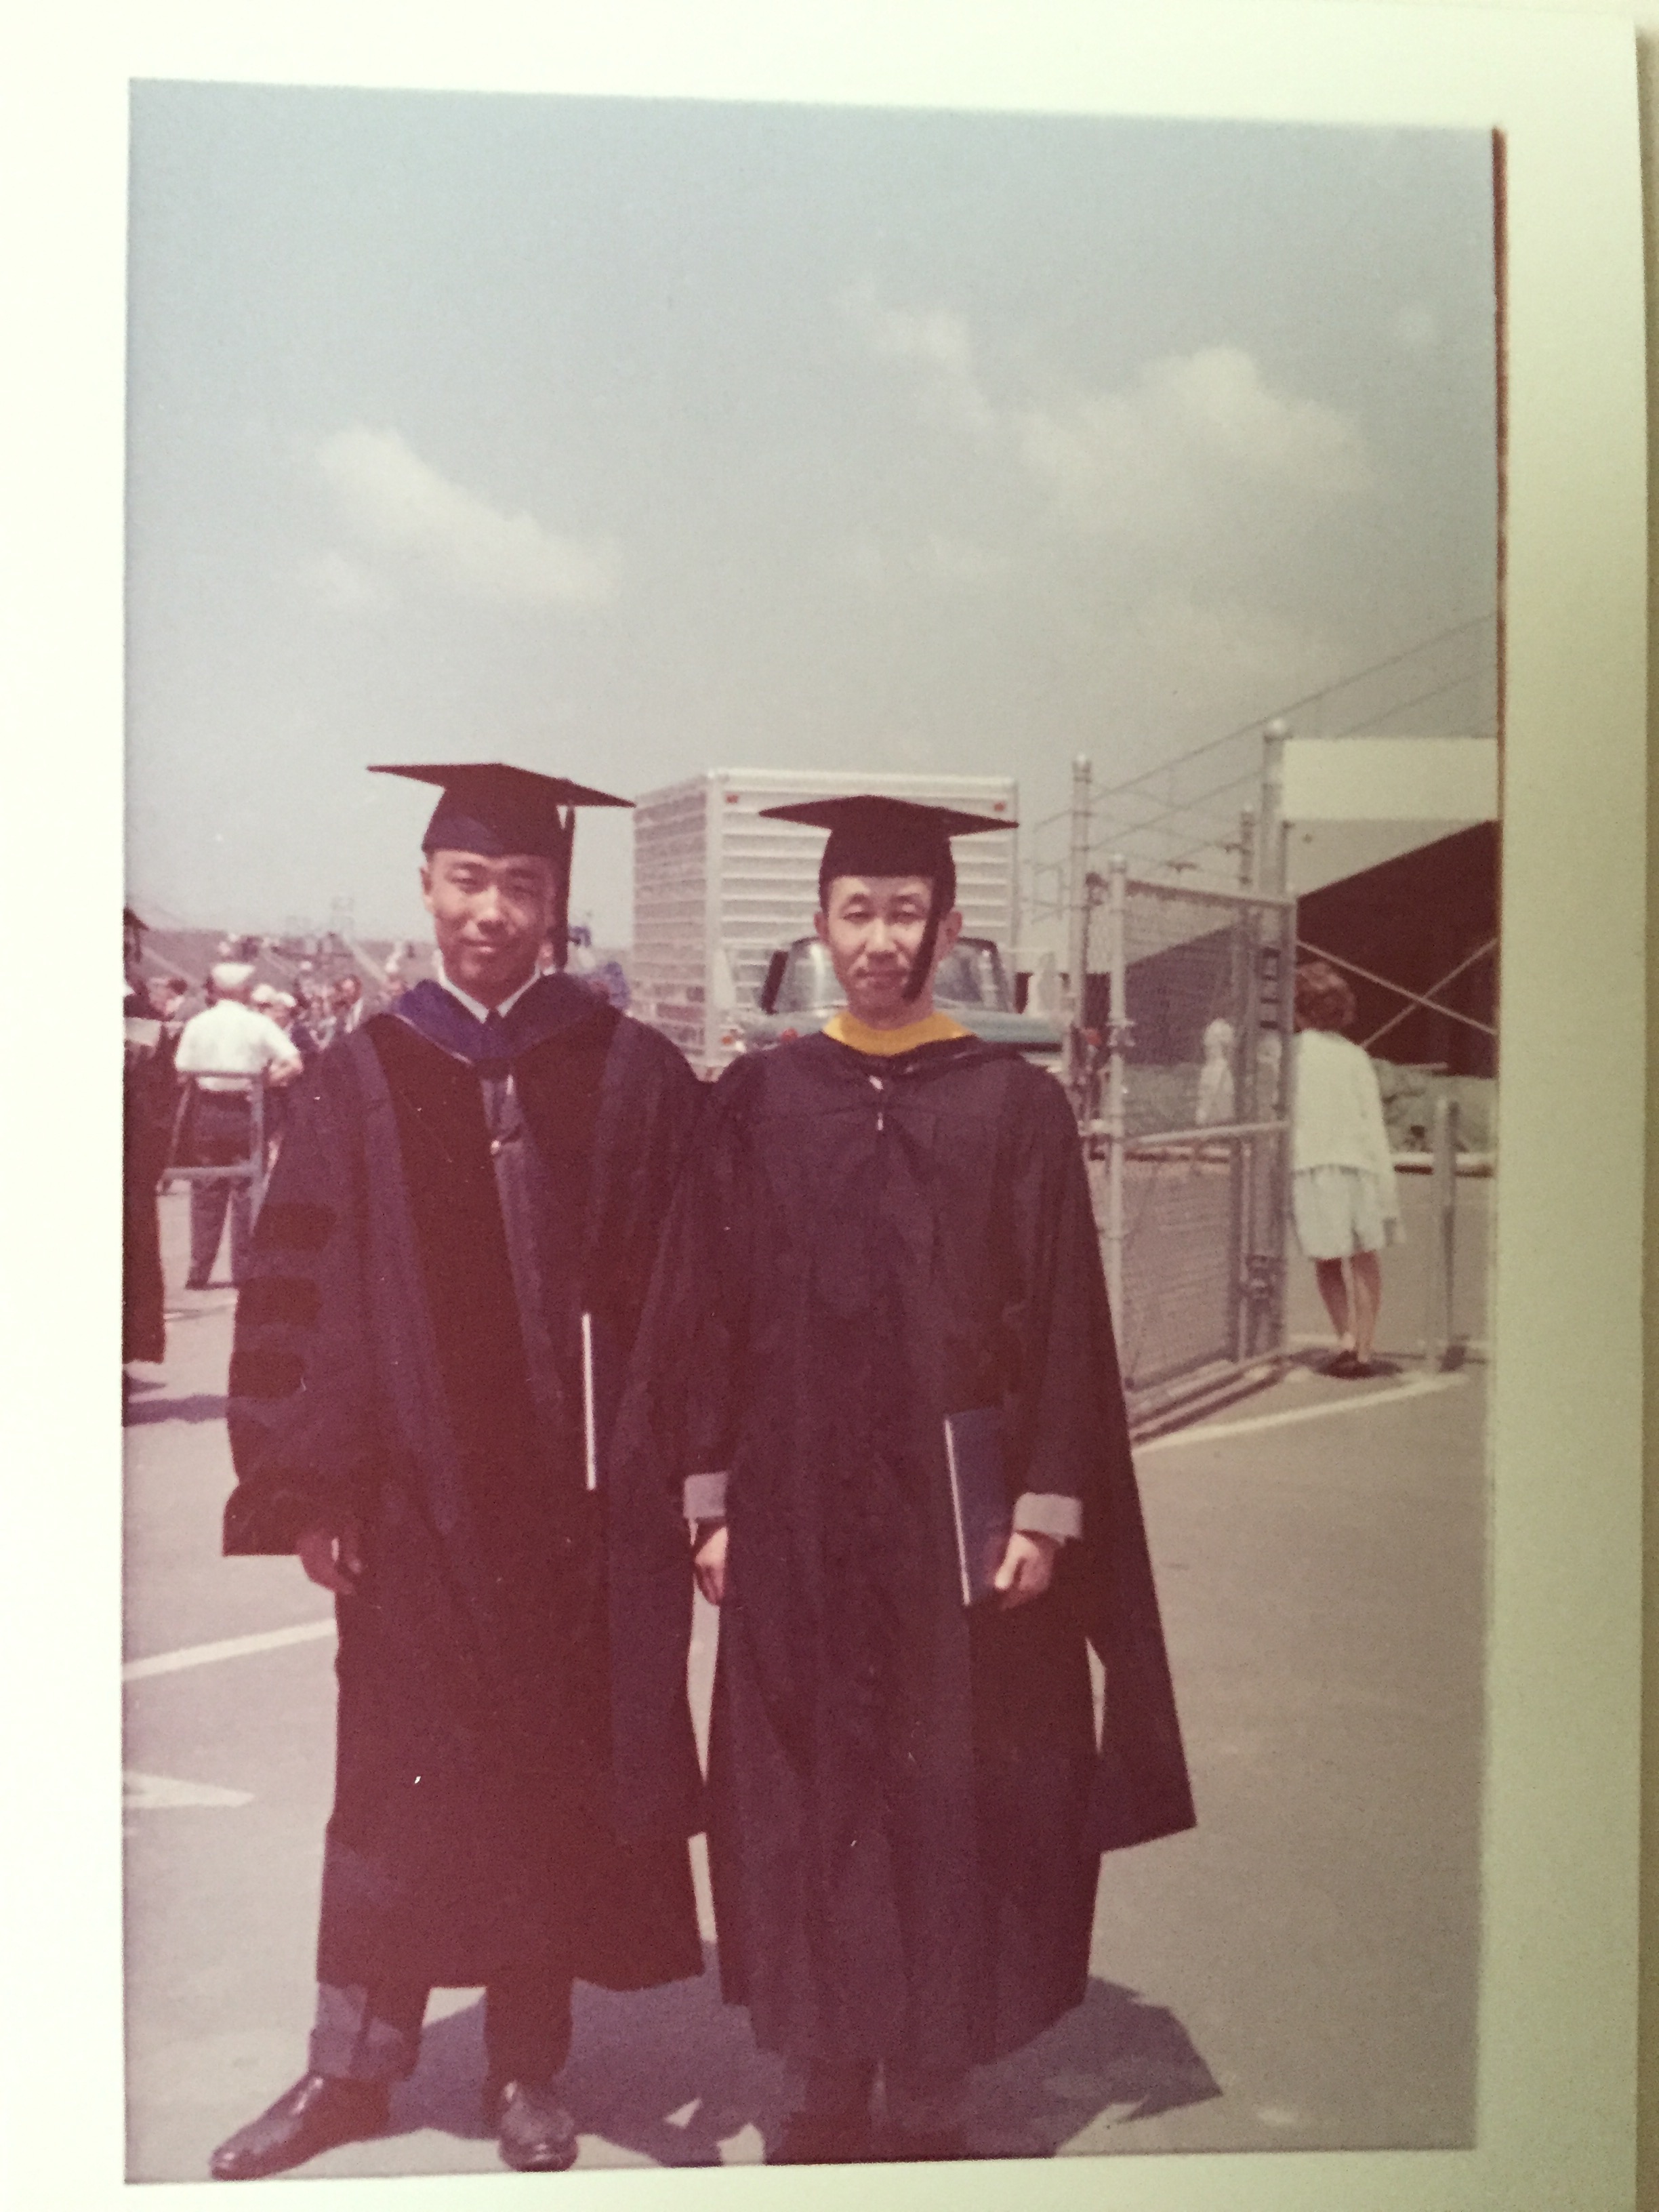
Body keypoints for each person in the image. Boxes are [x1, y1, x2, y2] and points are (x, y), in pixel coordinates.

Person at [624, 794, 1195, 2165]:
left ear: (948, 929)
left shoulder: (1016, 1102)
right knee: (807, 1789)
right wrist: (710, 1501)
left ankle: (934, 2072)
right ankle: (823, 2075)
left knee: (949, 1796)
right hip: (799, 1519)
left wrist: (1048, 1511)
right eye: (857, 912)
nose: (881, 941)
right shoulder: (760, 1100)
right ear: (820, 925)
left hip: (959, 1525)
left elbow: (1066, 1322)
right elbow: (704, 1308)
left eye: (906, 914)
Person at [209, 762, 705, 2182]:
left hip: (573, 1520)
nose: (491, 914)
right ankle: (350, 2065)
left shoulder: (625, 1072)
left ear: (557, 905)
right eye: (469, 882)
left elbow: (689, 1286)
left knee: (546, 1779)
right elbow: (296, 1288)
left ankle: (523, 2070)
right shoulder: (365, 1073)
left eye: (522, 888)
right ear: (426, 886)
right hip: (413, 1513)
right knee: (389, 1784)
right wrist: (309, 1493)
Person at [1290, 959, 1402, 1379]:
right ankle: (1365, 1350)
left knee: (1327, 1260)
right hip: (1355, 1165)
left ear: (1299, 1010)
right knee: (1362, 1255)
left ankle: (1346, 1340)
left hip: (1311, 1164)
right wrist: (1382, 1180)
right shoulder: (1357, 1057)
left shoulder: (1292, 1056)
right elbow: (1371, 1121)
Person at [173, 962, 304, 1289]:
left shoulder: (199, 1024)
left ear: (215, 990)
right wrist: (267, 1082)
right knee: (246, 1188)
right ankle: (243, 1270)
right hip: (246, 1110)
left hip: (207, 1109)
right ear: (245, 991)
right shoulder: (256, 1024)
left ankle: (199, 1269)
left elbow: (181, 1068)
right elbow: (294, 1062)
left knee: (206, 1188)